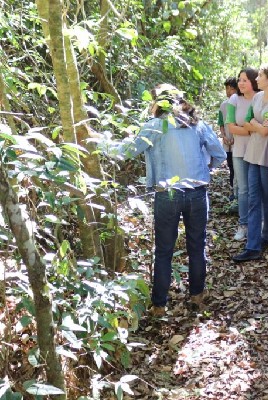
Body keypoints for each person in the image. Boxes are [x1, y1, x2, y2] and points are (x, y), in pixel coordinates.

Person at [102, 84, 226, 317]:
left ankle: (159, 305)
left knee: (164, 250)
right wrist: (203, 169)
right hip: (197, 192)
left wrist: (99, 143)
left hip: (167, 194)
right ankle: (197, 296)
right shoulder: (197, 124)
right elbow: (219, 154)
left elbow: (126, 151)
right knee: (197, 246)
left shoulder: (155, 125)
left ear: (158, 103)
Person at [233, 65, 268, 262]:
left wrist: (256, 125)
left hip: (267, 155)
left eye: (261, 76)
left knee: (267, 196)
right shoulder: (257, 97)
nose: (257, 79)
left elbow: (267, 130)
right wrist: (258, 124)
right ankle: (253, 245)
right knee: (254, 198)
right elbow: (247, 122)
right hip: (252, 153)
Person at [226, 69, 259, 241]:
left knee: (257, 189)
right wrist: (254, 130)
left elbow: (267, 127)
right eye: (240, 80)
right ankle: (243, 224)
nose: (241, 83)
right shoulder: (234, 99)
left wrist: (254, 129)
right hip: (239, 150)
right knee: (243, 189)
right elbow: (231, 127)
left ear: (254, 81)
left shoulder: (260, 98)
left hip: (258, 151)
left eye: (245, 80)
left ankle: (258, 224)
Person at [218, 77, 238, 197]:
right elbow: (221, 123)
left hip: (238, 142)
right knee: (231, 166)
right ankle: (233, 192)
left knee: (239, 168)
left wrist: (236, 137)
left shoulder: (240, 103)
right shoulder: (223, 105)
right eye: (227, 88)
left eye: (231, 88)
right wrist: (224, 136)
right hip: (227, 142)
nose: (229, 91)